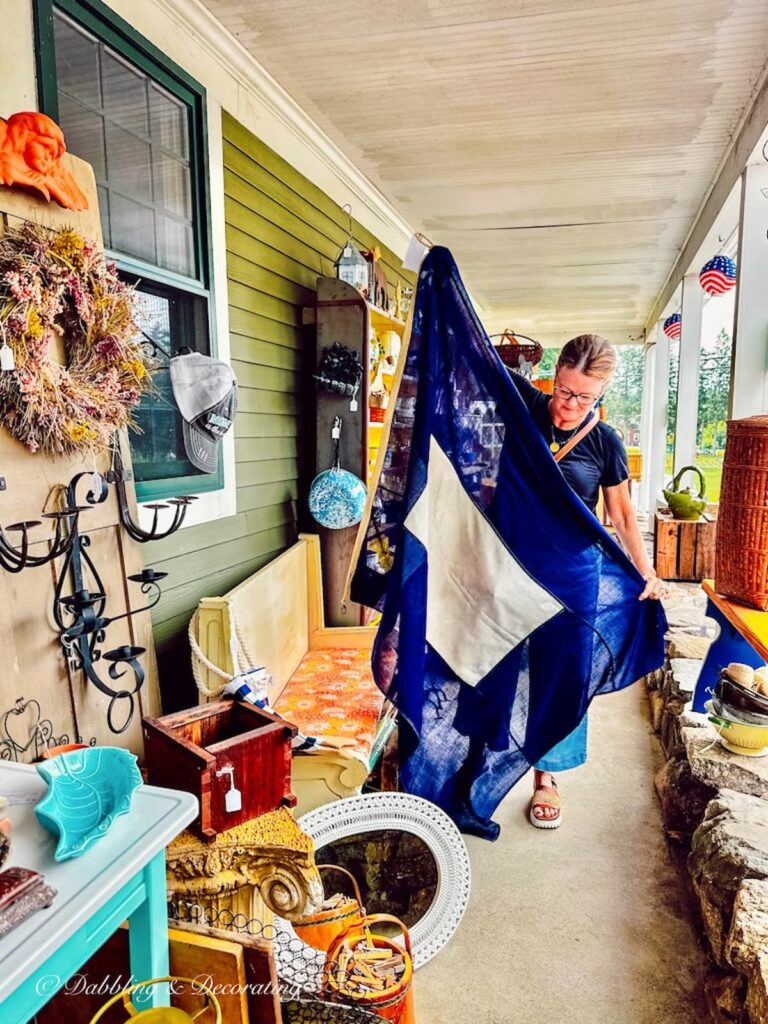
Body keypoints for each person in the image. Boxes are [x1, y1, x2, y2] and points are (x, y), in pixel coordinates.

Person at [508, 334, 667, 829]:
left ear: (601, 394)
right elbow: (470, 352)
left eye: (582, 397)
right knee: (500, 663)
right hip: (510, 566)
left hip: (573, 576)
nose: (566, 406)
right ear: (552, 379)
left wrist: (646, 571)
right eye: (562, 391)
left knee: (563, 674)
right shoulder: (525, 405)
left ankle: (546, 777)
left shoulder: (605, 442)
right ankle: (486, 763)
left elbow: (619, 513)